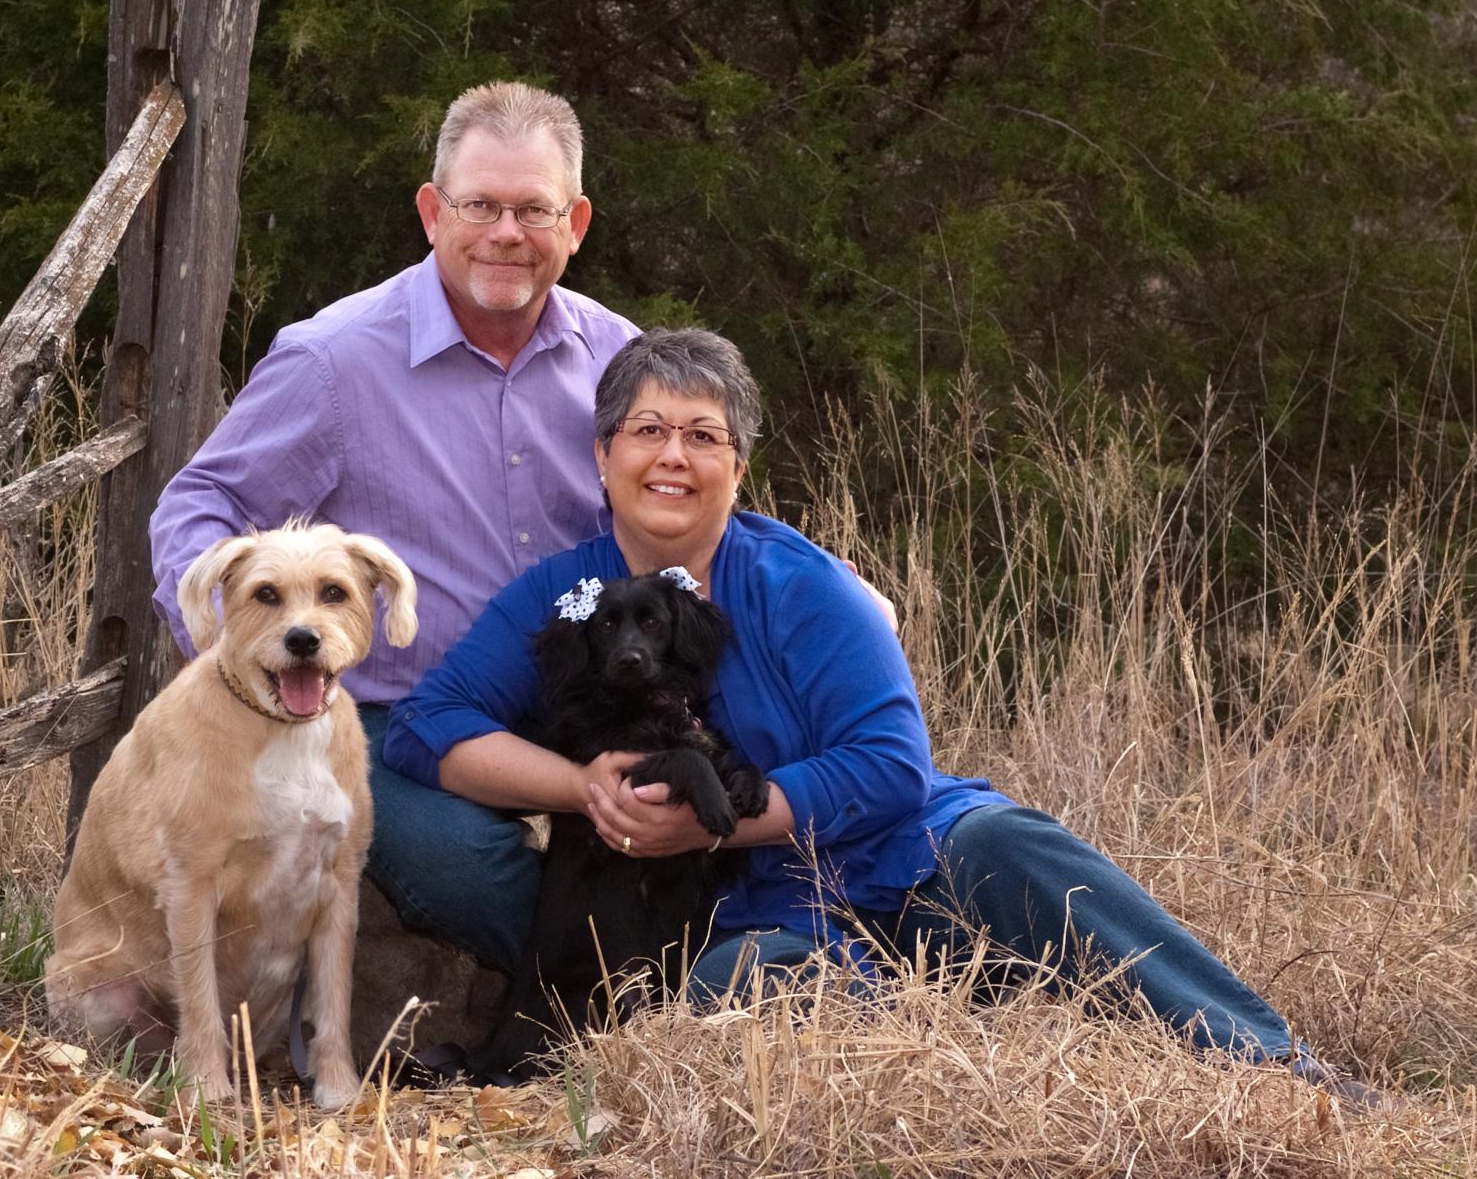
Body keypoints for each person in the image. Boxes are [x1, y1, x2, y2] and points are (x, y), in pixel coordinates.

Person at [384, 327, 1374, 1098]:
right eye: (646, 431)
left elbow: (891, 763)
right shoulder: (565, 595)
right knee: (737, 991)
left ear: (739, 464)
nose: (672, 456)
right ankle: (953, 1048)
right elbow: (433, 727)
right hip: (750, 911)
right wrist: (583, 788)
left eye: (703, 435)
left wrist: (717, 819)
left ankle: (1270, 1067)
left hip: (907, 856)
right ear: (602, 456)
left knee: (1016, 848)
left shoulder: (805, 584)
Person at [148, 81, 639, 966]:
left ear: (575, 224)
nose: (505, 232)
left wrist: (828, 592)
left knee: (688, 802)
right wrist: (235, 649)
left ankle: (714, 974)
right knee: (467, 869)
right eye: (478, 204)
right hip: (392, 713)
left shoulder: (619, 360)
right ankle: (604, 1002)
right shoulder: (333, 361)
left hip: (581, 694)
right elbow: (202, 502)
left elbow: (691, 511)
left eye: (534, 209)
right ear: (430, 212)